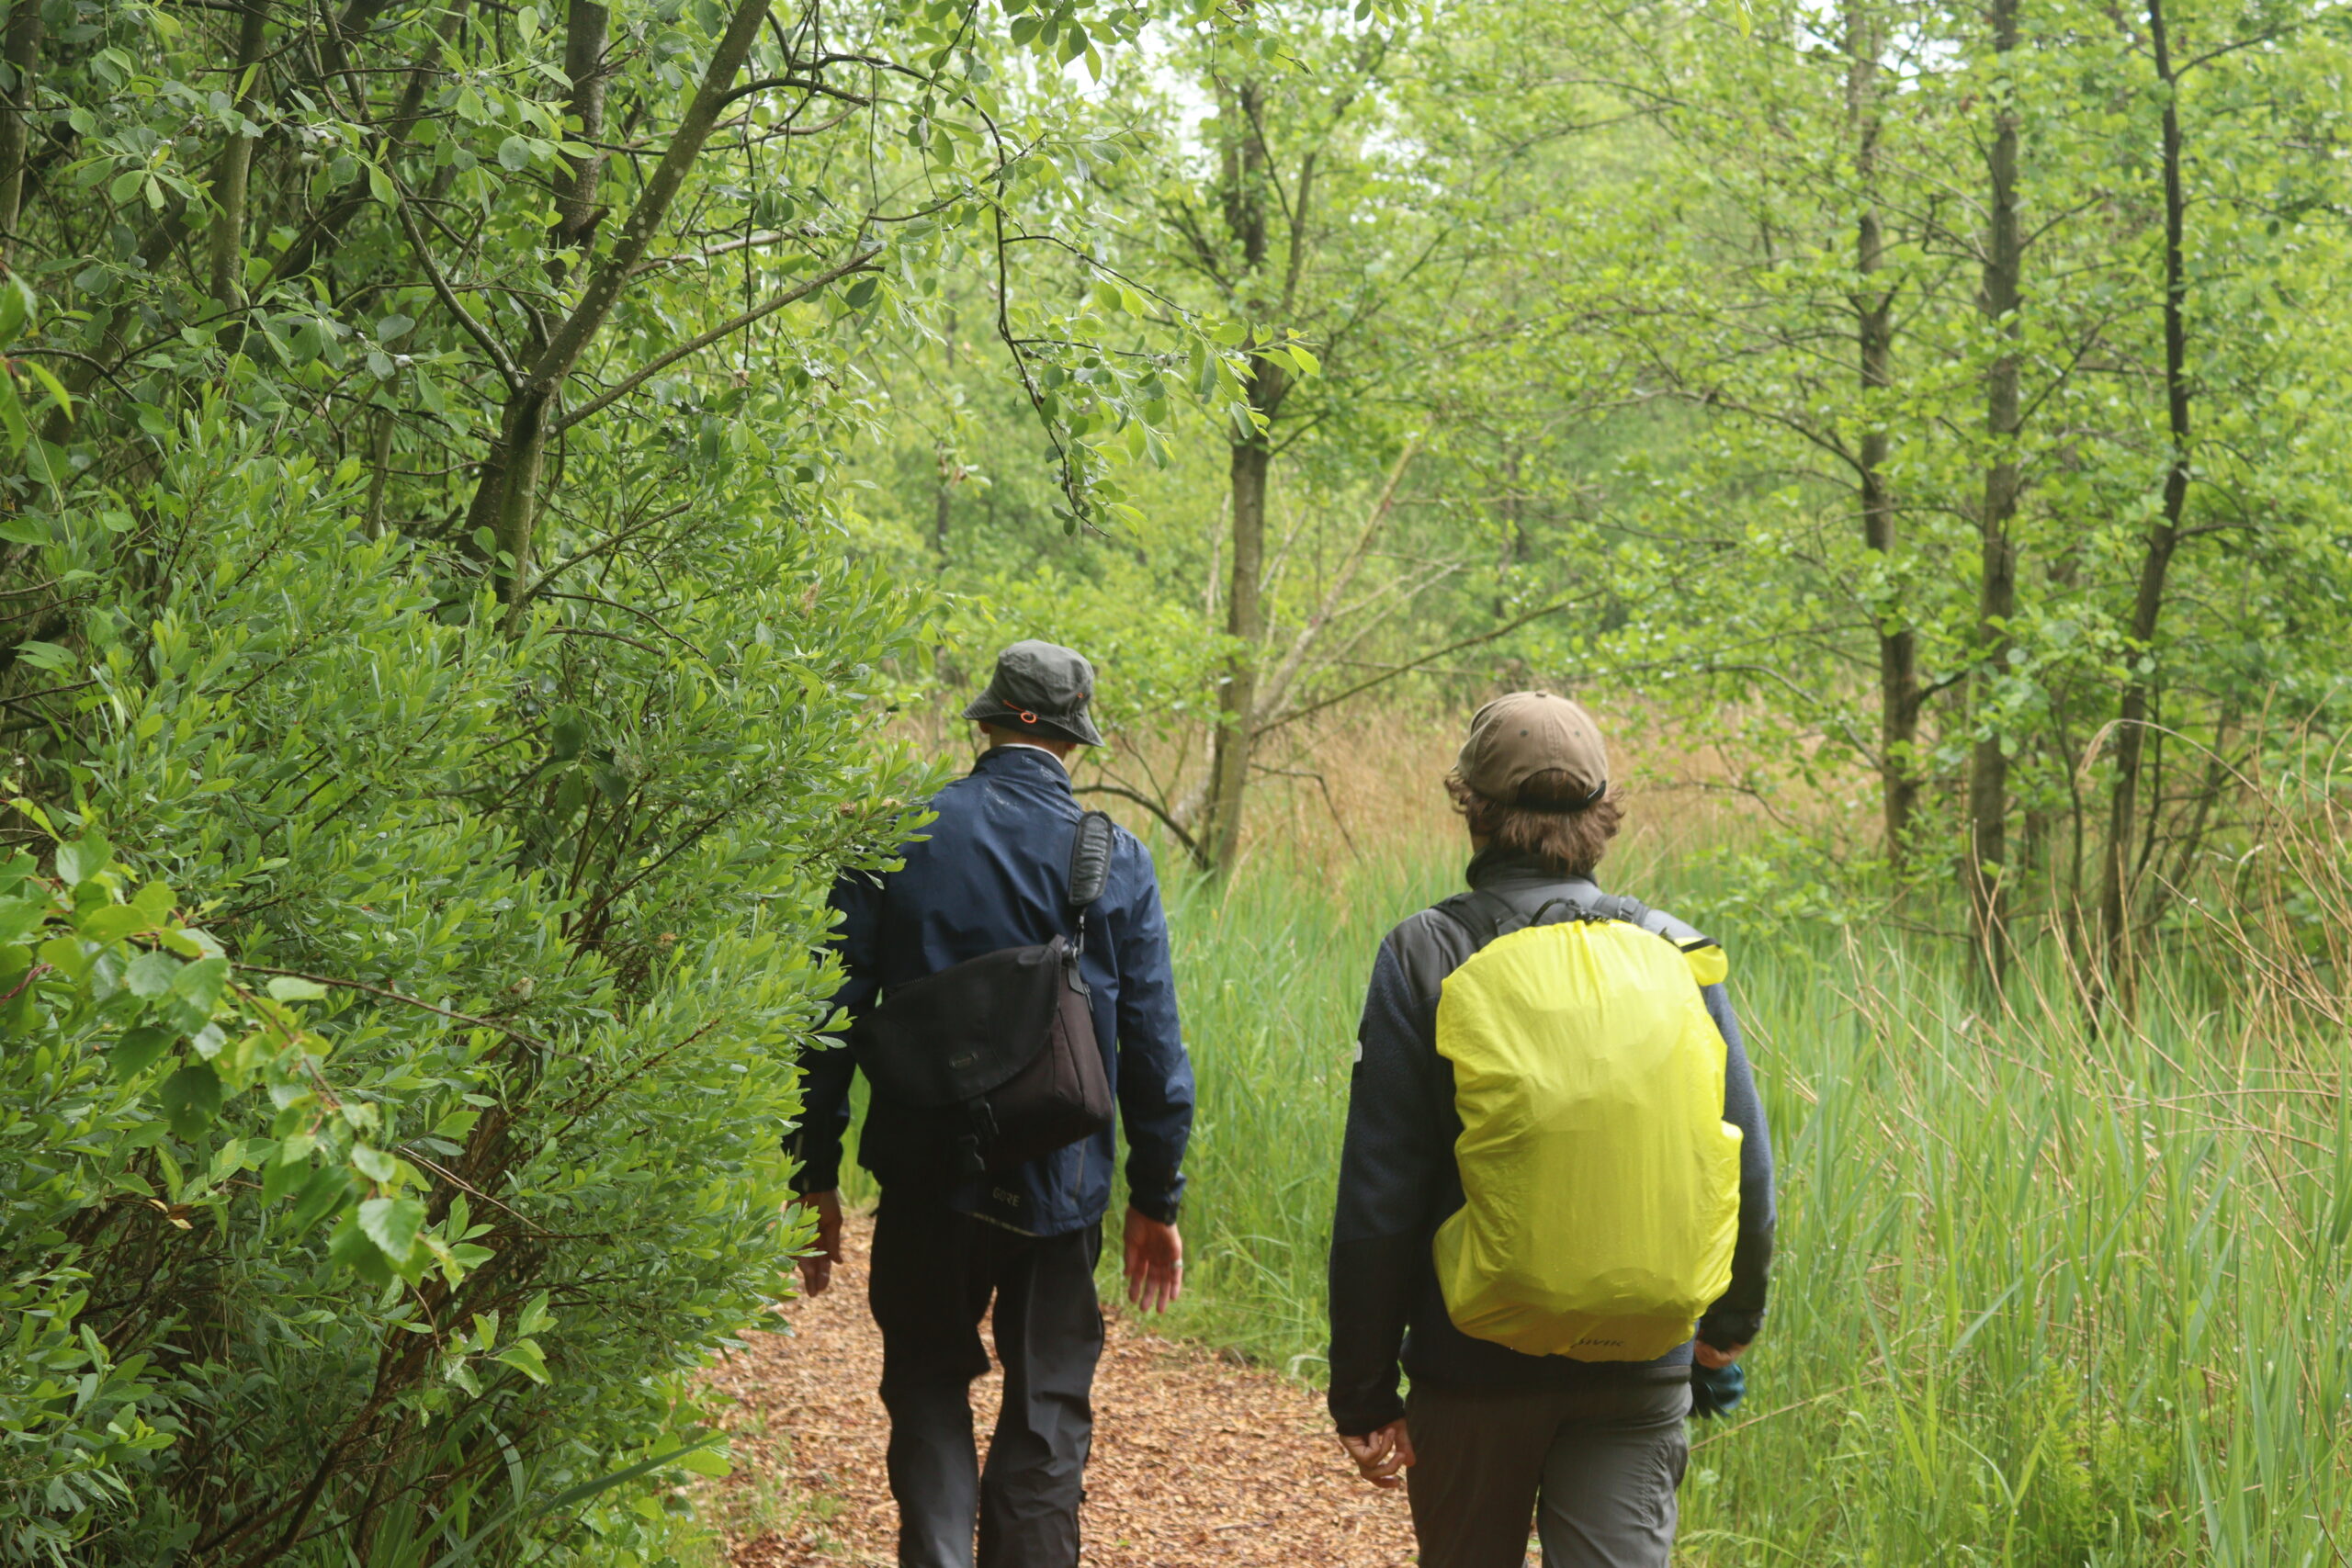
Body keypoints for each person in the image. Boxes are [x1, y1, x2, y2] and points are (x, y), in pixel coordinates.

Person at [1326, 692, 1776, 1568]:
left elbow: (1382, 1192)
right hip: (1640, 1364)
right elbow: (1745, 1162)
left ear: (1475, 809)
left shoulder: (1427, 954)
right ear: (1602, 813)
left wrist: (1365, 1391)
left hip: (1472, 1367)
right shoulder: (1676, 951)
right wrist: (1727, 1323)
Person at [789, 639, 1194, 1568]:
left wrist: (812, 1172)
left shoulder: (894, 834)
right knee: (1048, 1403)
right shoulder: (1115, 857)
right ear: (1072, 738)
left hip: (929, 1175)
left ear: (986, 721)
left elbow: (825, 1020)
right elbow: (1155, 1049)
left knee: (927, 1383)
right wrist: (1154, 1199)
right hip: (1063, 1181)